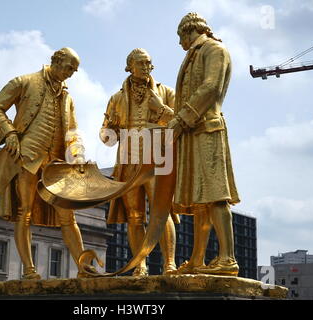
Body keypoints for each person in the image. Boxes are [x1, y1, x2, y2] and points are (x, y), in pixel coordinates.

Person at [0, 48, 89, 280]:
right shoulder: (24, 81)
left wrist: (78, 154)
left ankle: (84, 268)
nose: (71, 73)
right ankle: (29, 270)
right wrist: (9, 133)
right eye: (69, 67)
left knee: (68, 216)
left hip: (57, 165)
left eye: (74, 70)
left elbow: (72, 131)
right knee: (25, 213)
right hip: (27, 158)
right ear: (56, 61)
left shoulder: (68, 97)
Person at [167, 13, 241, 276]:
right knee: (200, 199)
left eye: (180, 36)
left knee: (216, 194)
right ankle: (198, 260)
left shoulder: (214, 49)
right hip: (192, 133)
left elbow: (210, 87)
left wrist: (180, 119)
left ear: (189, 31)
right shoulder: (193, 54)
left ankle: (227, 258)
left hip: (207, 129)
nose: (179, 43)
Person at [101, 48, 178, 276]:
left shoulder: (165, 92)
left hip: (157, 160)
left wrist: (160, 109)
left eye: (149, 63)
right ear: (130, 66)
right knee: (134, 216)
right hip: (128, 161)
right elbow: (105, 135)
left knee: (161, 211)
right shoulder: (116, 98)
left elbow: (180, 121)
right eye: (142, 63)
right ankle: (139, 265)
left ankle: (170, 263)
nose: (147, 67)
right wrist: (109, 131)